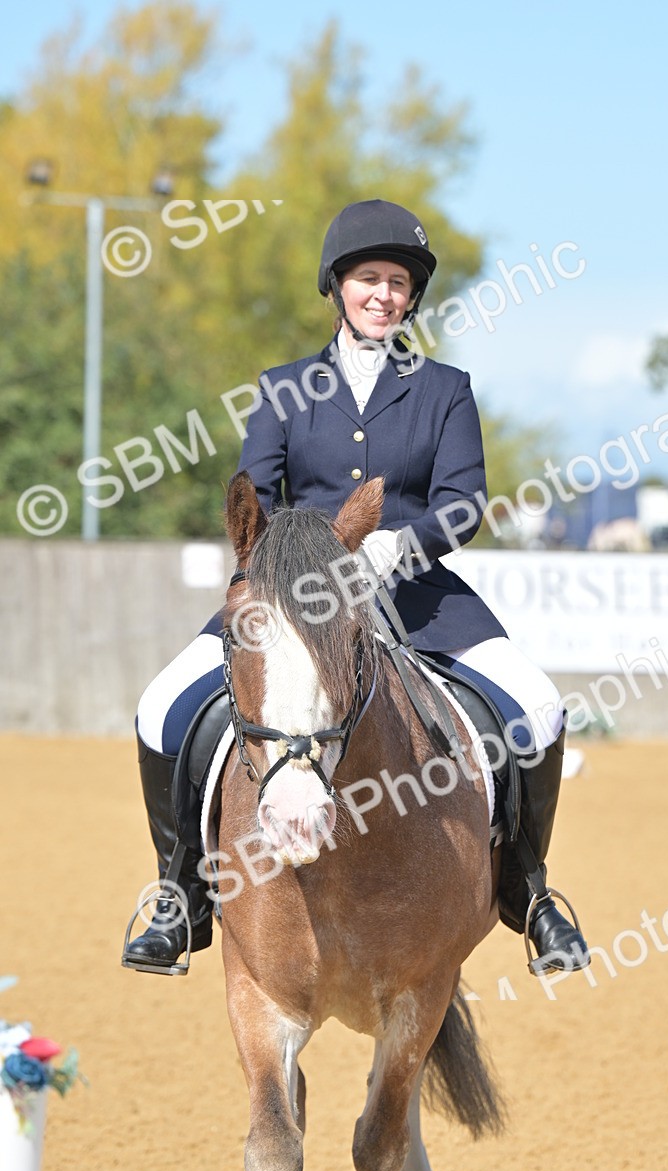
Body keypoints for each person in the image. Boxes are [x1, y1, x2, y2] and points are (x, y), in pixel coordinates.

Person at [122, 199, 589, 976]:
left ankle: (530, 894)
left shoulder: (444, 388)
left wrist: (402, 542)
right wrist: (289, 565)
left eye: (398, 283)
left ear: (412, 299)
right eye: (369, 278)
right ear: (337, 286)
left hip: (417, 595)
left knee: (538, 707)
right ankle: (179, 896)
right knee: (160, 706)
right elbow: (255, 492)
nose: (383, 294)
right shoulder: (282, 388)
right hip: (294, 599)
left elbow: (464, 501)